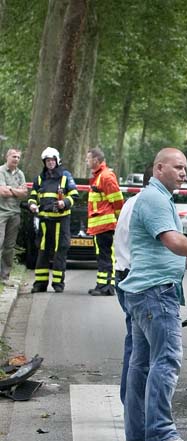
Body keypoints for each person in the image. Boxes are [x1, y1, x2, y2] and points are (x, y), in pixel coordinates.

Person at [120, 148, 187, 441]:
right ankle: (160, 431)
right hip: (156, 294)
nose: (184, 173)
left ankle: (138, 429)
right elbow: (173, 241)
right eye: (178, 167)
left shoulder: (156, 198)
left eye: (185, 168)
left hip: (144, 290)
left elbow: (159, 246)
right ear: (159, 168)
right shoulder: (156, 198)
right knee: (167, 360)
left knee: (141, 363)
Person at [114, 167, 151, 404]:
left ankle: (129, 401)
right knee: (143, 347)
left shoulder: (131, 202)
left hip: (123, 273)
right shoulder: (148, 206)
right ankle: (135, 406)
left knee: (134, 341)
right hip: (138, 279)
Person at [28, 147, 78, 293]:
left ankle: (58, 284)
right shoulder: (39, 178)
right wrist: (32, 204)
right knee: (43, 250)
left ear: (57, 161)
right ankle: (40, 284)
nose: (50, 163)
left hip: (61, 221)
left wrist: (65, 203)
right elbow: (32, 195)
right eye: (47, 161)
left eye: (52, 160)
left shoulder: (65, 176)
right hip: (44, 220)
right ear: (44, 162)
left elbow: (74, 194)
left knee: (60, 251)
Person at [86, 147, 124, 296]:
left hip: (105, 225)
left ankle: (108, 287)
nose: (86, 161)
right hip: (99, 225)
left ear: (96, 160)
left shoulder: (106, 176)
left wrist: (119, 220)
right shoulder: (99, 176)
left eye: (88, 158)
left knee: (106, 256)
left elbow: (117, 200)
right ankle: (102, 285)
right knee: (102, 256)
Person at [0, 149, 28, 282]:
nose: (16, 159)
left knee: (9, 246)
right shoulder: (1, 171)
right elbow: (3, 192)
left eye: (18, 157)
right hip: (1, 213)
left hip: (15, 214)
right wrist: (16, 190)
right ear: (7, 157)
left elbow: (24, 194)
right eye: (14, 156)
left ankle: (5, 276)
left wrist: (10, 188)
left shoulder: (20, 174)